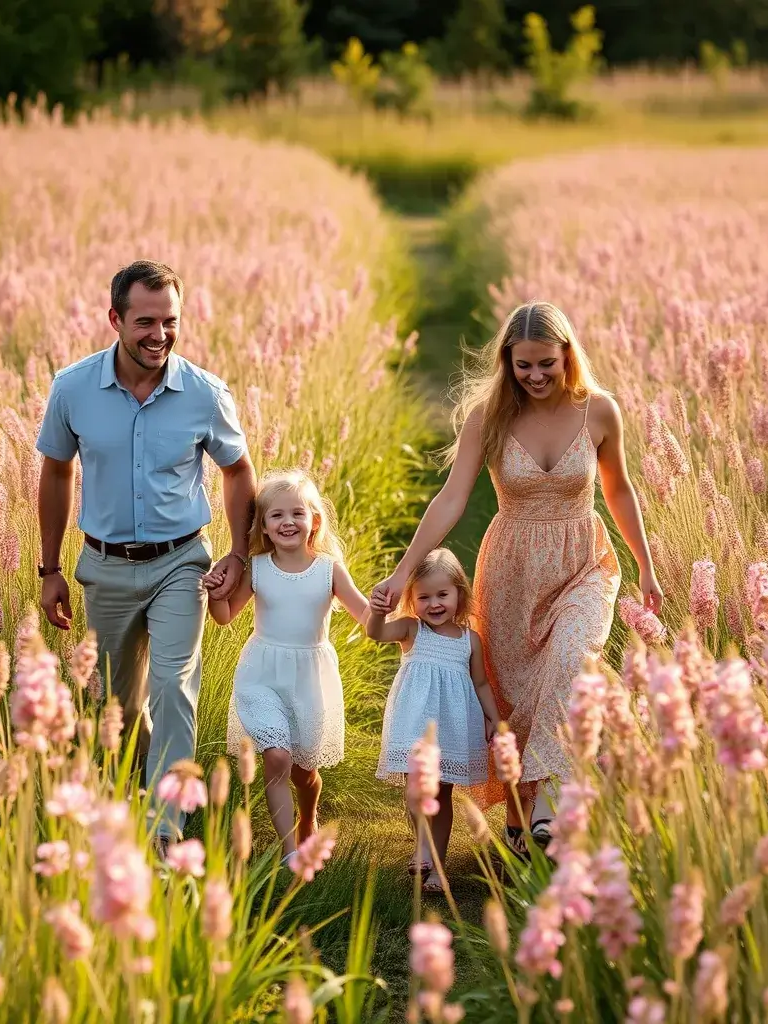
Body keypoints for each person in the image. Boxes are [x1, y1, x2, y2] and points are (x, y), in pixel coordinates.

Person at [371, 300, 662, 857]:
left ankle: (551, 803)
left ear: (567, 355)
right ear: (507, 360)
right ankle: (522, 814)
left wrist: (645, 565)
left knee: (571, 661)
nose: (534, 376)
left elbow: (618, 490)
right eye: (522, 365)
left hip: (583, 561)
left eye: (545, 364)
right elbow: (453, 497)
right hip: (510, 565)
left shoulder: (599, 411)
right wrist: (405, 569)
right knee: (514, 692)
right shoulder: (489, 414)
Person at [35, 260, 256, 852]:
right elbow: (56, 471)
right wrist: (49, 567)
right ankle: (132, 793)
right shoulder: (73, 388)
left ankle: (164, 830)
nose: (159, 335)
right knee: (115, 706)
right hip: (102, 566)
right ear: (115, 319)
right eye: (145, 322)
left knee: (173, 685)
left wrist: (239, 555)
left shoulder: (205, 394)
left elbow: (238, 472)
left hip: (181, 563)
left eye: (170, 321)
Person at [204, 469, 369, 862]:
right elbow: (226, 616)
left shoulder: (329, 569)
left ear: (315, 520)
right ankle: (290, 852)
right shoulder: (258, 568)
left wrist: (401, 625)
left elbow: (366, 616)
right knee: (276, 756)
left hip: (310, 679)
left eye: (297, 513)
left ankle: (308, 816)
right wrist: (212, 594)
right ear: (262, 525)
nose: (287, 522)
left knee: (304, 773)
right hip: (262, 674)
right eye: (276, 515)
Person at [368, 548, 498, 893]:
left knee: (441, 795)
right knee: (416, 786)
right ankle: (422, 845)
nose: (434, 604)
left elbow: (481, 684)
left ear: (460, 593)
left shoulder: (470, 640)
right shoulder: (412, 630)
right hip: (414, 721)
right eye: (424, 597)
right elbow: (375, 634)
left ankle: (438, 867)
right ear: (411, 600)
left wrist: (494, 720)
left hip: (452, 725)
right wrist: (378, 612)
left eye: (443, 595)